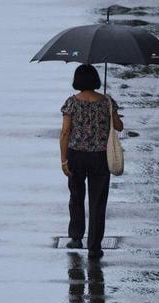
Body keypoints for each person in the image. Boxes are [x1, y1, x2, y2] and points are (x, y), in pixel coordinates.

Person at [59, 64, 123, 258]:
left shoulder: (72, 103)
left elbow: (64, 133)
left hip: (76, 155)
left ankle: (76, 236)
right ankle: (94, 246)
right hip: (100, 157)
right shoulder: (107, 102)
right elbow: (119, 126)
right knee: (98, 202)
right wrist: (109, 109)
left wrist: (64, 160)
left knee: (76, 196)